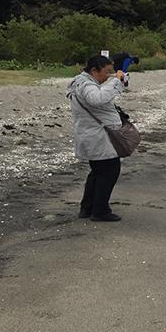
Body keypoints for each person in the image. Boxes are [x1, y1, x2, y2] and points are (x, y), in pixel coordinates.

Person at [66, 55, 126, 222]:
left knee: (98, 172)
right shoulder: (86, 84)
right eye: (106, 72)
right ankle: (100, 210)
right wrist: (116, 82)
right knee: (109, 171)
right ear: (94, 70)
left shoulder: (79, 82)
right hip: (97, 136)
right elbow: (97, 99)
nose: (108, 76)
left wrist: (117, 82)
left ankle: (88, 208)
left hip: (92, 134)